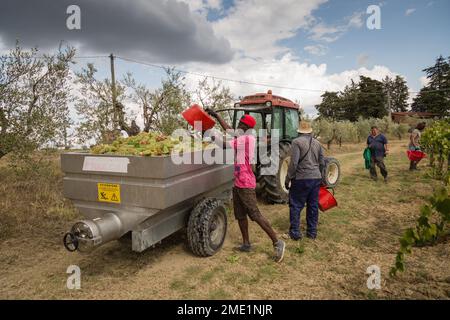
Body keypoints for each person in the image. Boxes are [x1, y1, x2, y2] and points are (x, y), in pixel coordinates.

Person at [205, 109, 286, 263]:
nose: (238, 127)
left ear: (244, 126)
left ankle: (277, 242)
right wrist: (217, 116)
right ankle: (246, 244)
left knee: (255, 215)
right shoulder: (246, 135)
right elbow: (229, 129)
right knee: (240, 215)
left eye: (240, 124)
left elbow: (223, 145)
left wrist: (209, 132)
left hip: (246, 184)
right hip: (238, 182)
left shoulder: (245, 139)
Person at [284, 121, 325, 240]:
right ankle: (312, 233)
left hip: (301, 178)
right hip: (315, 178)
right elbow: (322, 162)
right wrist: (320, 176)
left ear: (299, 131)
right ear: (310, 131)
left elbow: (294, 163)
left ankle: (295, 233)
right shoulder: (317, 143)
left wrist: (288, 178)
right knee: (312, 206)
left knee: (296, 205)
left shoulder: (296, 142)